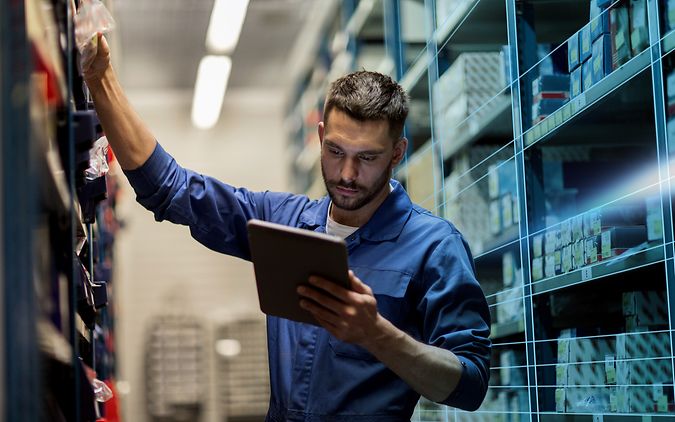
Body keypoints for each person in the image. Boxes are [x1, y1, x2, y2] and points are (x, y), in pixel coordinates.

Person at [83, 33, 491, 421]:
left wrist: (377, 334)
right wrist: (101, 79)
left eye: (367, 158)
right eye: (335, 151)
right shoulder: (284, 222)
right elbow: (171, 189)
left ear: (397, 153)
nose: (347, 174)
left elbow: (469, 385)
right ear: (319, 136)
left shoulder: (434, 246)